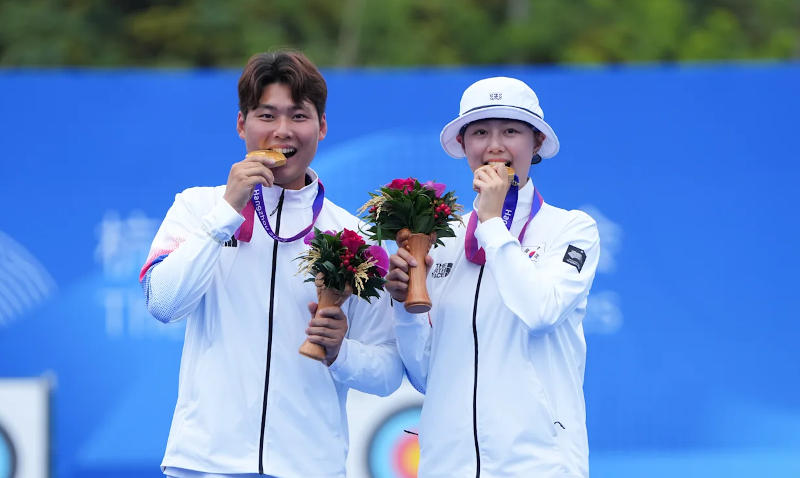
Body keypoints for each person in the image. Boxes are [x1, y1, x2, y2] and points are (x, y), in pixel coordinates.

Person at [139, 50, 404, 478]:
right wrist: (227, 212)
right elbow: (163, 304)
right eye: (267, 115)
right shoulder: (198, 207)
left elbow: (389, 371)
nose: (282, 131)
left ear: (322, 127)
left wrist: (341, 353)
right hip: (205, 464)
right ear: (242, 123)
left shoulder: (355, 236)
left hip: (308, 466)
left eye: (299, 116)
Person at [386, 76, 600, 478]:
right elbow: (426, 374)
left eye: (511, 131)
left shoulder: (571, 229)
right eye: (480, 132)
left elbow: (541, 312)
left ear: (536, 143)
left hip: (538, 464)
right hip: (448, 465)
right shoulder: (441, 240)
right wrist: (405, 308)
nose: (495, 145)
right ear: (464, 145)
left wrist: (490, 220)